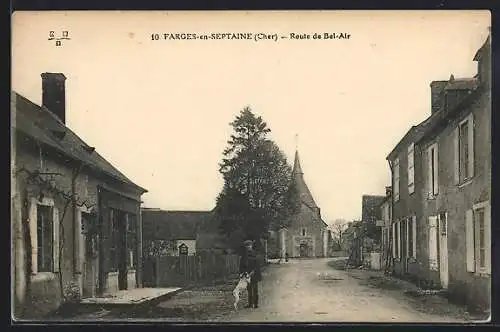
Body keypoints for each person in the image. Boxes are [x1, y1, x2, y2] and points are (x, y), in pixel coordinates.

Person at [239, 239, 262, 308]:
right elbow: (241, 265)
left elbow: (257, 265)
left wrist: (253, 272)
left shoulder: (255, 254)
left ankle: (255, 304)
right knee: (249, 289)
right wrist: (241, 273)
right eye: (247, 246)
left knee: (255, 289)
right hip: (246, 274)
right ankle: (250, 303)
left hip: (254, 274)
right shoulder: (244, 255)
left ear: (252, 246)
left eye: (249, 245)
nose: (248, 247)